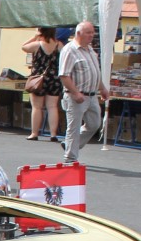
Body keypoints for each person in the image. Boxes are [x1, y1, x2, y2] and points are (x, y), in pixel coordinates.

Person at [59, 21, 106, 164]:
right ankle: (70, 158)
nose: (91, 35)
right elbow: (64, 75)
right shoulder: (70, 50)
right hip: (76, 96)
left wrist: (102, 88)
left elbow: (94, 72)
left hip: (91, 95)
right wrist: (75, 92)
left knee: (94, 124)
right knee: (73, 127)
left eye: (92, 32)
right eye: (88, 33)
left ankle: (70, 145)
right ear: (79, 33)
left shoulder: (90, 50)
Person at [22, 26, 63, 141]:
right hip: (54, 79)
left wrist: (34, 37)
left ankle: (34, 133)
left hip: (38, 79)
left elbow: (23, 47)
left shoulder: (37, 45)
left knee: (37, 107)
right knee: (52, 106)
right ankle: (53, 134)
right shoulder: (58, 45)